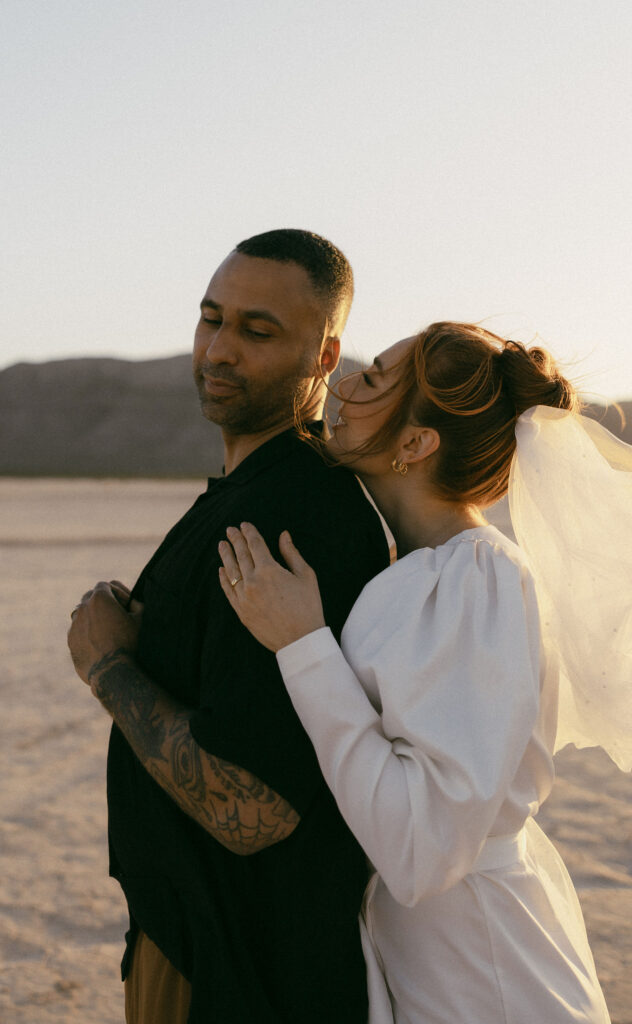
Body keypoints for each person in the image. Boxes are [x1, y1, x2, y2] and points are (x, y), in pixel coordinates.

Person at [217, 322, 632, 1024]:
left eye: (372, 382)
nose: (341, 386)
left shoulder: (476, 580)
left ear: (414, 443)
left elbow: (420, 848)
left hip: (483, 974)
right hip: (437, 953)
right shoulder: (423, 570)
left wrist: (303, 645)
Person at [67, 229, 391, 1024]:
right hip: (193, 938)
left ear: (324, 356)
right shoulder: (249, 492)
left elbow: (254, 806)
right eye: (211, 318)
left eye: (257, 331)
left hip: (235, 967)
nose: (218, 349)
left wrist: (110, 669)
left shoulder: (293, 517)